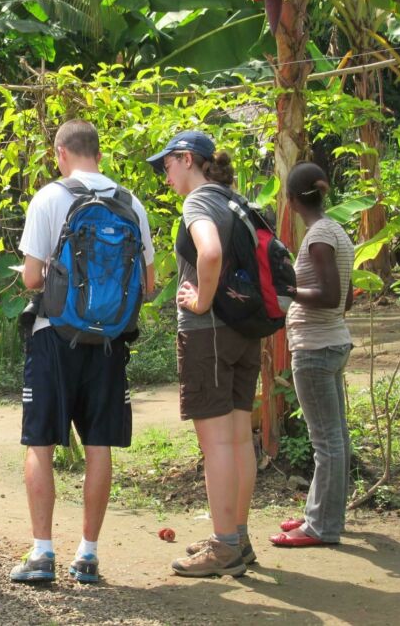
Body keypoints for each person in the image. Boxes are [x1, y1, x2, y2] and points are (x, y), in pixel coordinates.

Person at [11, 119, 155, 584]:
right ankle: (88, 554)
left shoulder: (50, 197)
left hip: (55, 334)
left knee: (40, 443)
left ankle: (42, 552)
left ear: (61, 153)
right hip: (110, 341)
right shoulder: (131, 203)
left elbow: (32, 279)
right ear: (98, 152)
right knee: (99, 446)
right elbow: (149, 286)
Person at [146, 131, 260, 578]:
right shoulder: (234, 200)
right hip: (242, 332)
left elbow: (208, 253)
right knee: (236, 439)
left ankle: (224, 546)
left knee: (216, 445)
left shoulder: (198, 202)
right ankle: (238, 536)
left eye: (167, 166)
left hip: (208, 334)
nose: (165, 175)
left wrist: (200, 301)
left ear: (187, 159)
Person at [270, 161, 354, 547]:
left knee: (326, 442)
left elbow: (330, 296)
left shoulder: (319, 236)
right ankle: (323, 516)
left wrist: (288, 288)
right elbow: (347, 299)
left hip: (316, 349)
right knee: (336, 439)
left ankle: (321, 527)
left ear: (290, 200)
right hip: (333, 341)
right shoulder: (336, 230)